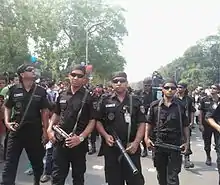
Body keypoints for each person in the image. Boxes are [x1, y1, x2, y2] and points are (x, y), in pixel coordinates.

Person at [47, 65, 96, 185]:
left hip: (78, 144)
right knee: (57, 176)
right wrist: (49, 129)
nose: (76, 78)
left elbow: (93, 120)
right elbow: (56, 114)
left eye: (80, 76)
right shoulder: (62, 94)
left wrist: (80, 138)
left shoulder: (89, 97)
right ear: (69, 76)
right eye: (73, 75)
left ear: (84, 79)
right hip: (60, 142)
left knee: (78, 177)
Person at [1, 64, 50, 185]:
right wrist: (7, 122)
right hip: (16, 131)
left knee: (37, 162)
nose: (33, 71)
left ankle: (36, 181)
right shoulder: (13, 89)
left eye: (33, 70)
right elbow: (7, 107)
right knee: (10, 163)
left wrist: (45, 131)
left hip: (34, 131)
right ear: (22, 75)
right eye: (29, 70)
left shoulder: (41, 91)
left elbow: (45, 111)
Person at [96, 71, 146, 185]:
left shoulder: (135, 100)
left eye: (122, 81)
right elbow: (98, 121)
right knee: (114, 181)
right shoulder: (105, 100)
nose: (118, 83)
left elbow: (142, 123)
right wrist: (105, 135)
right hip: (112, 149)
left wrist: (136, 142)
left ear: (127, 83)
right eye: (115, 81)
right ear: (112, 84)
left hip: (131, 148)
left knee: (135, 181)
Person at [145, 79, 189, 185]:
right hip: (159, 145)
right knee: (161, 176)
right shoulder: (154, 106)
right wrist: (146, 138)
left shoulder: (180, 106)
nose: (170, 90)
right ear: (162, 90)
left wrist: (187, 143)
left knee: (173, 178)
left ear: (175, 90)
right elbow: (149, 123)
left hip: (175, 145)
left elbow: (185, 126)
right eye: (167, 88)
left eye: (173, 88)